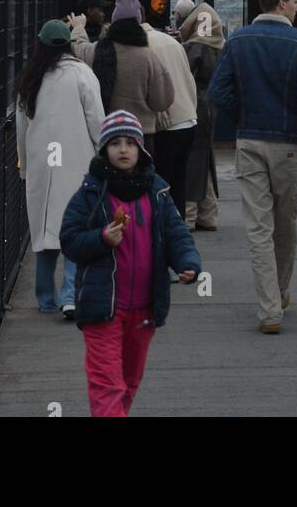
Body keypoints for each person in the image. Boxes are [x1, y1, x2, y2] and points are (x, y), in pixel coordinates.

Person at [60, 110, 201, 417]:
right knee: (107, 383)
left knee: (130, 380)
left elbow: (177, 234)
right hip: (102, 308)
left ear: (141, 149)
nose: (123, 150)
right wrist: (101, 239)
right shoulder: (90, 194)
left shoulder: (158, 192)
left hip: (145, 308)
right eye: (115, 144)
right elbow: (69, 240)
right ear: (104, 151)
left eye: (130, 143)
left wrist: (187, 262)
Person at [207, 0, 297, 333]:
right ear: (282, 3)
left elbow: (217, 91)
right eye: (296, 0)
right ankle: (281, 290)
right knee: (285, 223)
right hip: (288, 143)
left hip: (249, 140)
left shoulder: (238, 40)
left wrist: (242, 115)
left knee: (258, 226)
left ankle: (269, 308)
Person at [15, 19, 105, 316]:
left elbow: (21, 129)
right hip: (77, 160)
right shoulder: (82, 74)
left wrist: (25, 168)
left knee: (43, 231)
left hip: (42, 163)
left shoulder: (30, 79)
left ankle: (45, 299)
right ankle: (71, 295)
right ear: (68, 43)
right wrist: (102, 157)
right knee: (75, 228)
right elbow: (96, 120)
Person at [75, 0, 174, 157]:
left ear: (114, 20)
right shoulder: (149, 57)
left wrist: (78, 28)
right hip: (141, 135)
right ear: (138, 21)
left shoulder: (99, 50)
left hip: (109, 133)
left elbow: (79, 50)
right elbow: (162, 102)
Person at [143, 12, 199, 219]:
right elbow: (189, 80)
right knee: (179, 183)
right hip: (188, 118)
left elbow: (155, 87)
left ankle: (163, 232)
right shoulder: (171, 41)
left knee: (161, 183)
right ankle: (178, 228)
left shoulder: (143, 45)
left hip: (168, 123)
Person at [179, 1, 225, 231]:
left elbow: (183, 75)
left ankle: (189, 215)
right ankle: (208, 213)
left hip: (193, 106)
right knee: (205, 159)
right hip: (211, 106)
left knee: (192, 159)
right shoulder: (220, 47)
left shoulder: (194, 47)